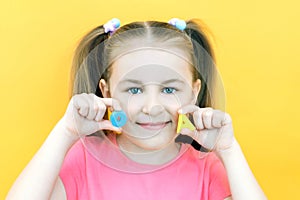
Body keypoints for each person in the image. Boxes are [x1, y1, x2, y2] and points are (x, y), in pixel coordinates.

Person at [6, 18, 267, 200]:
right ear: (107, 92)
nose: (151, 107)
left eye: (168, 90)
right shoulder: (83, 161)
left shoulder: (207, 168)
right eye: (134, 90)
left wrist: (230, 152)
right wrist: (65, 132)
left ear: (194, 92)